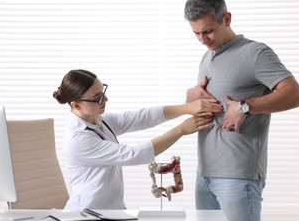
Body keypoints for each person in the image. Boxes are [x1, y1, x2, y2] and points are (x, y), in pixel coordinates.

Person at [184, 0, 299, 221]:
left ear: (226, 18)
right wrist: (191, 96)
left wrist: (246, 106)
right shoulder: (208, 56)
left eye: (208, 31)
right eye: (196, 33)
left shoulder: (255, 53)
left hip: (238, 175)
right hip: (204, 174)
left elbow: (295, 95)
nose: (202, 39)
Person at [53, 69, 223, 210]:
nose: (105, 100)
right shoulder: (77, 140)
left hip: (111, 211)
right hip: (87, 216)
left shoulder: (99, 121)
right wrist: (181, 130)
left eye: (103, 92)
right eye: (97, 98)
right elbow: (134, 154)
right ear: (76, 105)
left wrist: (186, 108)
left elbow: (142, 117)